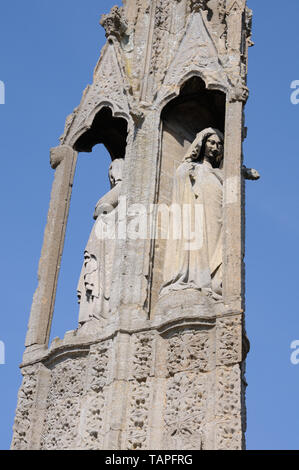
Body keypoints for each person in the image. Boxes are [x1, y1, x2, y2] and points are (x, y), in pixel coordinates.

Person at [160, 127, 224, 300]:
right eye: (211, 142)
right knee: (199, 246)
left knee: (216, 247)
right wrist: (185, 173)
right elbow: (180, 179)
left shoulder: (220, 174)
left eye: (219, 144)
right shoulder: (193, 168)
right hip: (199, 214)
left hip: (217, 216)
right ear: (202, 144)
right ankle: (196, 278)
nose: (215, 147)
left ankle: (213, 282)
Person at [77, 158, 124, 326]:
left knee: (103, 276)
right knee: (96, 275)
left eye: (116, 169)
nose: (113, 174)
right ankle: (94, 313)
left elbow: (101, 205)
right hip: (102, 242)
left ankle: (99, 312)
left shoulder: (124, 188)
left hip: (110, 244)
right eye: (111, 171)